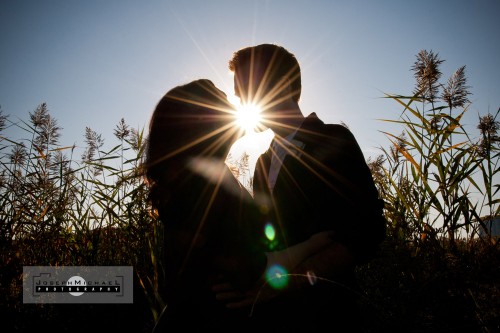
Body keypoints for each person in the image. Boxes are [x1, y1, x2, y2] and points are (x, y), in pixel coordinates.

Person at [214, 44, 387, 331]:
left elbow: (366, 235)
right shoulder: (263, 161)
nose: (238, 99)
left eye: (243, 89)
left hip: (328, 318)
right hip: (273, 320)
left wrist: (285, 286)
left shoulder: (333, 140)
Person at [143, 79, 334, 332]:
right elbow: (250, 269)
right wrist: (316, 242)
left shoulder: (184, 180)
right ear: (204, 121)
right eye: (223, 103)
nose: (233, 108)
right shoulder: (205, 183)